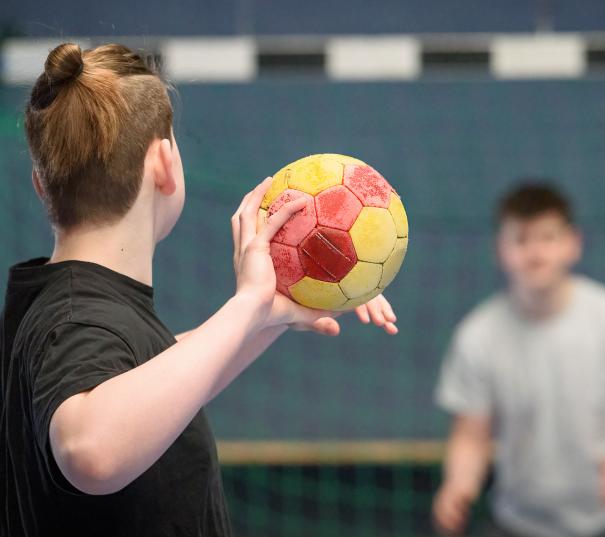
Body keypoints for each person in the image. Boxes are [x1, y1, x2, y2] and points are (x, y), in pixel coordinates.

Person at [0, 42, 397, 536]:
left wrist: (264, 315)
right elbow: (90, 451)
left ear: (41, 185)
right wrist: (247, 304)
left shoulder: (64, 304)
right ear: (165, 163)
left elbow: (153, 377)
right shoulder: (78, 317)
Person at [433, 182, 605, 537]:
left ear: (572, 243)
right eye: (520, 240)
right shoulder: (477, 336)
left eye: (548, 238)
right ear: (500, 250)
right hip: (520, 524)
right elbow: (471, 436)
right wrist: (458, 485)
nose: (535, 253)